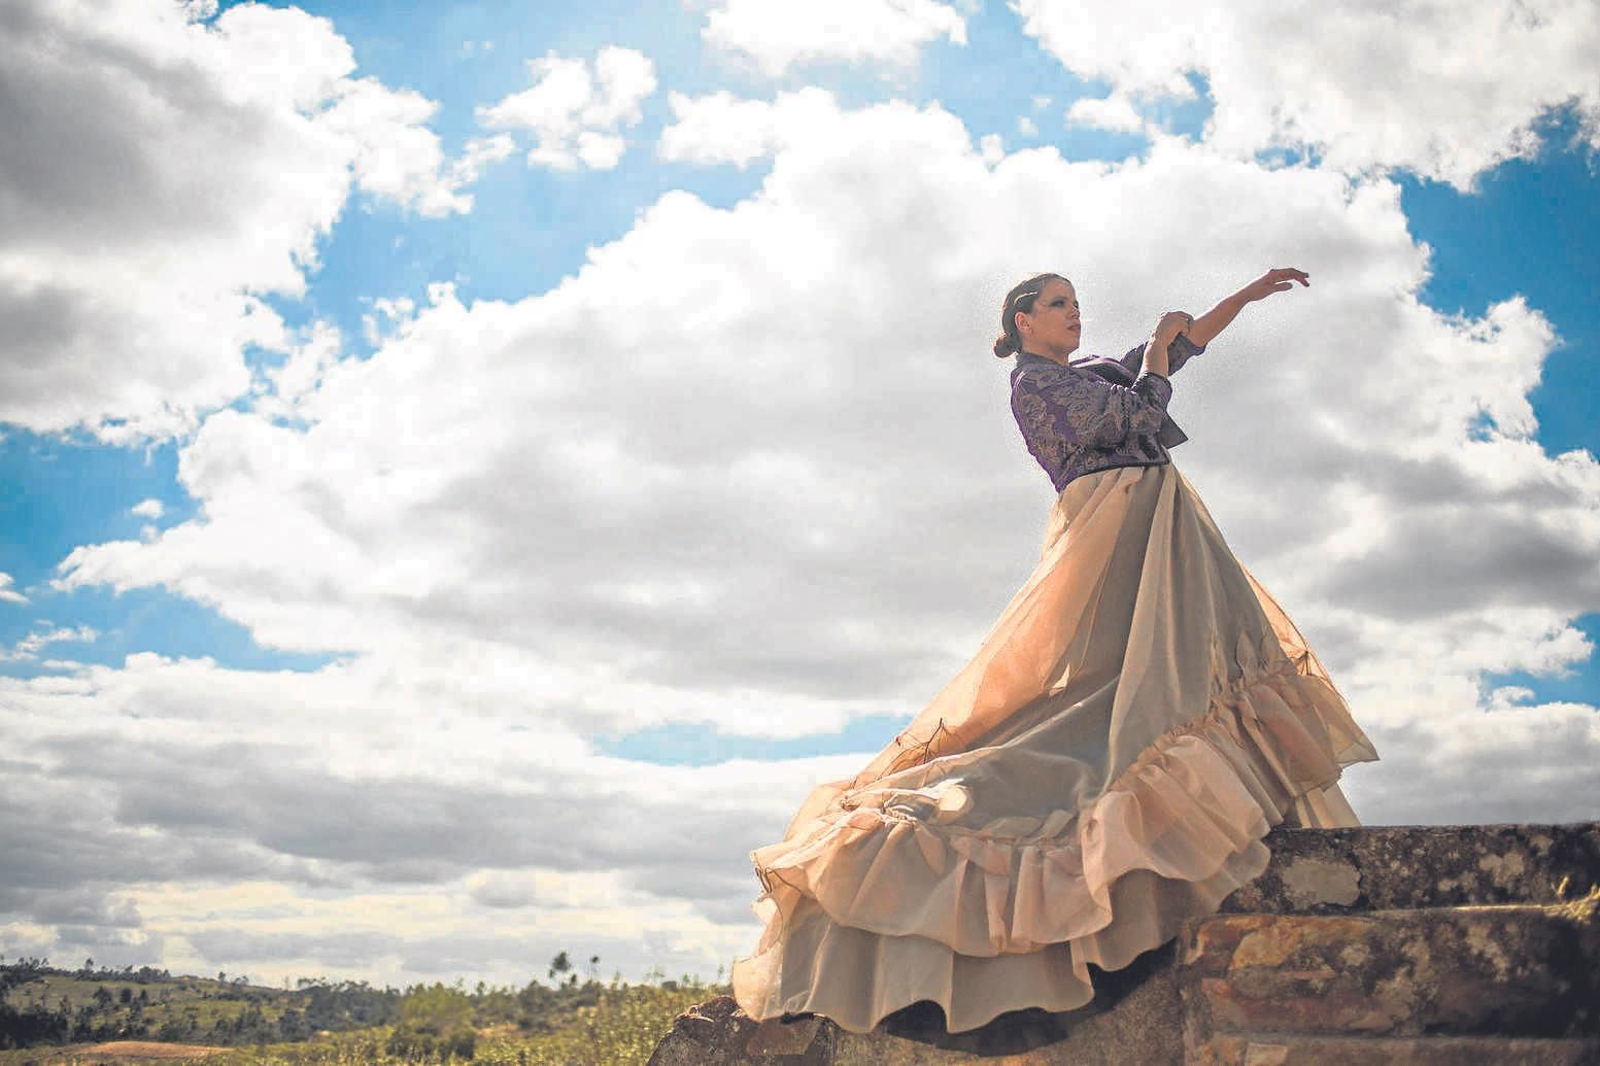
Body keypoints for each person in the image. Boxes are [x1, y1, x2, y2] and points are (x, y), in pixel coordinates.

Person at [730, 268, 1380, 1035]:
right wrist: (1160, 362)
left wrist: (1250, 292)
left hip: (1167, 526)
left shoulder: (1095, 367)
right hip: (1114, 527)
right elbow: (1136, 414)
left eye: (1077, 303)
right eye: (1059, 304)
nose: (1075, 314)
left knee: (1208, 669)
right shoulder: (1034, 386)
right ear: (1023, 320)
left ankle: (1251, 821)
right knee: (1113, 690)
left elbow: (1182, 341)